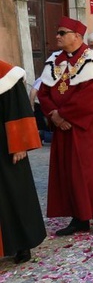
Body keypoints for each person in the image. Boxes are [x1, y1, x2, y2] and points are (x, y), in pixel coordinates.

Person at [37, 16, 93, 235]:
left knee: (90, 170)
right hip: (62, 128)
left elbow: (89, 97)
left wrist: (63, 115)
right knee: (68, 172)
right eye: (58, 32)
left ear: (77, 36)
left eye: (62, 33)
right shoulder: (55, 60)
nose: (57, 36)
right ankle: (78, 217)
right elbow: (43, 92)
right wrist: (54, 115)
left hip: (85, 128)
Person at [0, 59, 46, 263]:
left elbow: (19, 108)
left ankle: (23, 244)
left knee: (15, 194)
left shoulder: (6, 73)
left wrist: (20, 143)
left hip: (5, 144)